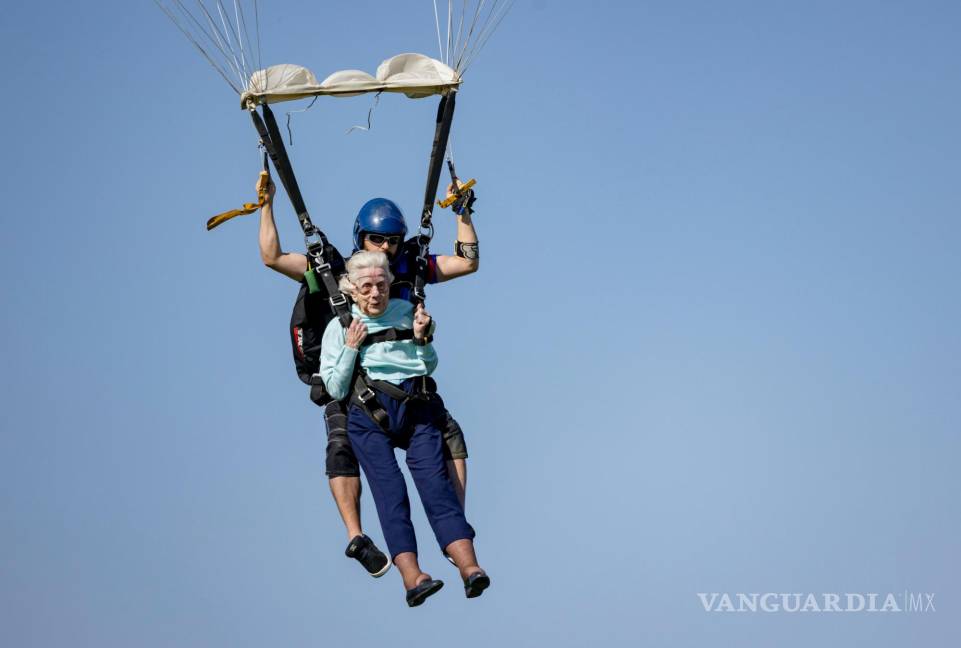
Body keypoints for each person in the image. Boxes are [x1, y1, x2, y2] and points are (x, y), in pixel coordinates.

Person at [258, 175, 479, 577]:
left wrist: (462, 214)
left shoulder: (409, 267)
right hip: (350, 379)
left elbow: (466, 262)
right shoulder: (336, 271)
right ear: (362, 238)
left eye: (393, 241)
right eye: (377, 240)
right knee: (341, 445)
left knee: (449, 434)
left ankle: (453, 528)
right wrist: (266, 206)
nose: (386, 248)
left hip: (403, 382)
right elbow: (273, 257)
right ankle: (356, 536)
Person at [320, 250, 489, 606]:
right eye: (367, 287)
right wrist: (351, 348)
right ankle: (413, 578)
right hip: (369, 415)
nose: (375, 293)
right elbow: (334, 388)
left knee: (436, 487)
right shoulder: (339, 327)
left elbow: (428, 365)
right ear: (352, 289)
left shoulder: (406, 312)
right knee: (391, 493)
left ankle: (469, 568)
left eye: (381, 285)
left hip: (415, 408)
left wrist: (422, 339)